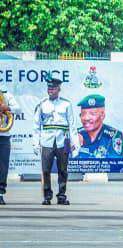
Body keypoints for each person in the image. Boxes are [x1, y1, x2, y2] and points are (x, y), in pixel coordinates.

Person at [34, 77, 77, 205]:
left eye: (53, 88)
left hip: (64, 139)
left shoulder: (66, 104)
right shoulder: (42, 104)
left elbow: (72, 125)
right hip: (47, 140)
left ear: (59, 89)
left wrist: (75, 144)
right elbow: (36, 125)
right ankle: (47, 196)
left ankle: (62, 195)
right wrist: (35, 143)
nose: (50, 90)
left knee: (63, 170)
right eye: (49, 88)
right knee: (46, 170)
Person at [0, 87, 22, 205]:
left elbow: (18, 109)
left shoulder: (5, 93)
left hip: (3, 136)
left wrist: (6, 108)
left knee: (2, 167)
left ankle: (0, 194)